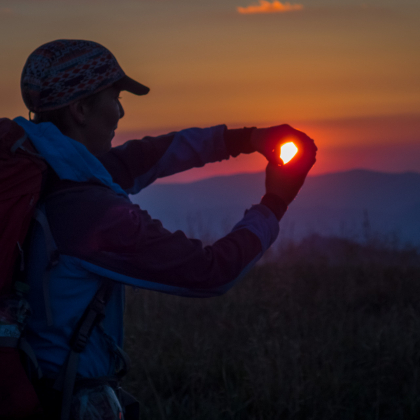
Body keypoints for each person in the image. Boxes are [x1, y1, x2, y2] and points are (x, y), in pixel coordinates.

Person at [15, 39, 317, 419]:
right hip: (63, 400)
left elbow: (143, 157)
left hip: (29, 382)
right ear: (80, 109)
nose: (121, 112)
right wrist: (275, 202)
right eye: (115, 97)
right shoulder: (87, 211)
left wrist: (247, 138)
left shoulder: (39, 169)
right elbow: (209, 273)